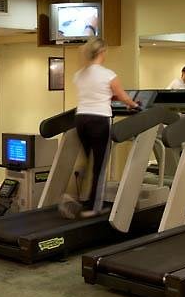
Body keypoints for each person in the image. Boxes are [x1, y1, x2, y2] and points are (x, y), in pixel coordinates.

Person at [59, 38, 139, 219]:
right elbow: (123, 97)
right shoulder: (108, 74)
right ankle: (94, 207)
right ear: (102, 52)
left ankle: (74, 196)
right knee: (100, 166)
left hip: (81, 119)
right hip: (99, 120)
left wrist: (108, 96)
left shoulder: (80, 74)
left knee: (87, 160)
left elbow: (94, 93)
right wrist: (134, 105)